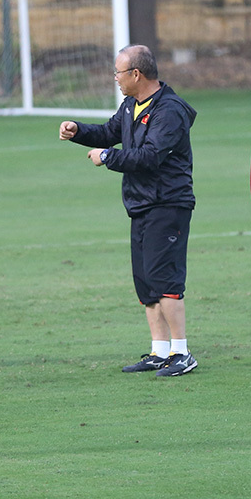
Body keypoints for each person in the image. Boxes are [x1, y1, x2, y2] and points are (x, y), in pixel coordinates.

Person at [59, 44, 198, 377]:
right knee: (146, 281)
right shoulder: (131, 106)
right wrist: (79, 130)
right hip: (141, 203)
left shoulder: (169, 111)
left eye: (118, 72)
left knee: (164, 278)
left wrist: (107, 157)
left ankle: (182, 353)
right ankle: (159, 351)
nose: (116, 79)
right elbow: (109, 133)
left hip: (168, 203)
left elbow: (149, 156)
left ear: (136, 74)